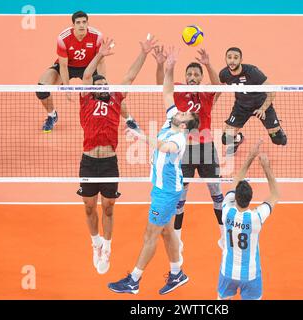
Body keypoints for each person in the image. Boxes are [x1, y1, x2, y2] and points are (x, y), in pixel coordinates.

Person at [108, 47, 200, 295]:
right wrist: (168, 66)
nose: (180, 109)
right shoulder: (172, 119)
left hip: (166, 193)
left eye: (184, 113)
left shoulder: (179, 139)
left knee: (151, 234)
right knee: (167, 232)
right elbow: (168, 91)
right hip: (163, 188)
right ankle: (177, 273)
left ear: (185, 124)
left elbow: (163, 146)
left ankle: (134, 280)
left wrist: (138, 133)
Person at [77, 35, 157, 275]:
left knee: (109, 208)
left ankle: (107, 247)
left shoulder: (115, 99)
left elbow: (130, 76)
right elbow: (86, 76)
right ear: (93, 88)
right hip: (89, 162)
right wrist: (100, 54)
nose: (101, 85)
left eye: (104, 84)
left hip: (109, 162)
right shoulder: (86, 101)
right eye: (97, 84)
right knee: (90, 208)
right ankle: (96, 243)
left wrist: (143, 53)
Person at [152, 46, 225, 252]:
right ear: (185, 77)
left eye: (196, 74)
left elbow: (219, 86)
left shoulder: (207, 93)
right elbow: (161, 84)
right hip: (183, 151)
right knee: (180, 196)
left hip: (207, 149)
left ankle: (223, 236)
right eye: (190, 74)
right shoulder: (179, 90)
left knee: (216, 193)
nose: (192, 77)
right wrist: (161, 64)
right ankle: (178, 238)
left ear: (201, 77)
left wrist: (208, 63)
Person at [217, 139, 280, 300]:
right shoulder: (256, 217)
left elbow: (236, 180)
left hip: (227, 272)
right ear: (251, 198)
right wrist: (266, 168)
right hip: (250, 274)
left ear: (235, 197)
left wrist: (250, 156)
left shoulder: (226, 211)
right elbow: (275, 195)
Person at [36, 11, 106, 133]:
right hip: (68, 66)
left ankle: (128, 119)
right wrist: (67, 88)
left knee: (106, 93)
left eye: (84, 22)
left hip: (89, 68)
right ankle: (52, 115)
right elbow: (63, 66)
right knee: (42, 88)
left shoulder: (97, 36)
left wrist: (103, 84)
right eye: (78, 22)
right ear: (73, 25)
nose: (81, 25)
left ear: (87, 23)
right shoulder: (63, 38)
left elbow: (100, 62)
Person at [219, 47, 287, 156]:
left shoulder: (252, 72)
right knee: (226, 138)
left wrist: (262, 109)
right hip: (241, 107)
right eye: (229, 57)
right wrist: (213, 102)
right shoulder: (224, 74)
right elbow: (219, 88)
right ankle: (237, 139)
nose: (232, 60)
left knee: (279, 140)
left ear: (241, 60)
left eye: (236, 58)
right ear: (225, 59)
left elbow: (272, 91)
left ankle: (278, 129)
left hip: (261, 105)